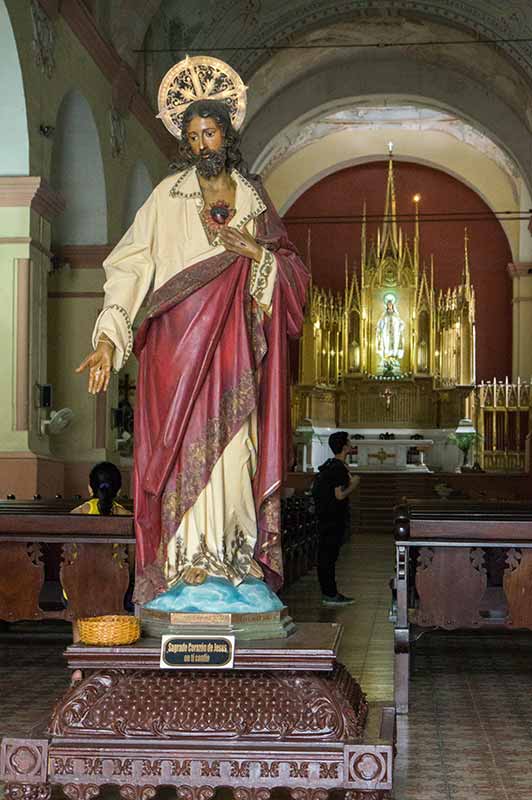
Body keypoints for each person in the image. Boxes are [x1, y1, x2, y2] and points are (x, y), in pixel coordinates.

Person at [76, 56, 309, 605]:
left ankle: (231, 561)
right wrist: (109, 337)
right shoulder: (167, 195)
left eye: (211, 132)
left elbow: (295, 274)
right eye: (194, 136)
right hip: (174, 356)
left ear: (227, 135)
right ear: (186, 143)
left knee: (234, 454)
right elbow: (131, 265)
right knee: (180, 454)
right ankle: (185, 566)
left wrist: (256, 253)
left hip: (233, 356)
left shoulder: (253, 198)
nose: (204, 143)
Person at [313, 431, 359, 606]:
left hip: (326, 517)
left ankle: (330, 592)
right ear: (344, 446)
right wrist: (354, 485)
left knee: (327, 556)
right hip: (332, 519)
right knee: (328, 557)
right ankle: (330, 594)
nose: (350, 443)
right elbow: (339, 495)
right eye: (348, 441)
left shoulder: (331, 464)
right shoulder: (338, 467)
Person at [376, 294, 405, 368]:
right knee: (386, 345)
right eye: (388, 304)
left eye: (390, 304)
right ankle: (385, 360)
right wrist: (379, 328)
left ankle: (394, 360)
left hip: (395, 335)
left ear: (392, 305)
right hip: (386, 334)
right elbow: (380, 323)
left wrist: (401, 327)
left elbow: (401, 323)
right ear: (386, 305)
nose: (389, 306)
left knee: (394, 345)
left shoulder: (396, 314)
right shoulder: (384, 315)